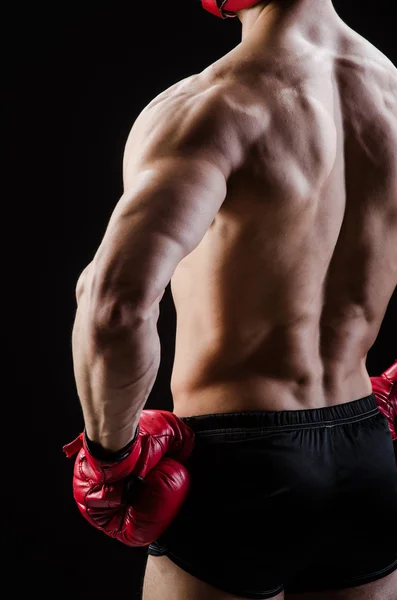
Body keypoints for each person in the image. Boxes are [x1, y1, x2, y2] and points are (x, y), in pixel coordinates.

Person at [63, 1, 397, 598]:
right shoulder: (392, 94)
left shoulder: (212, 106)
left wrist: (109, 456)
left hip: (235, 464)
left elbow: (113, 304)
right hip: (369, 459)